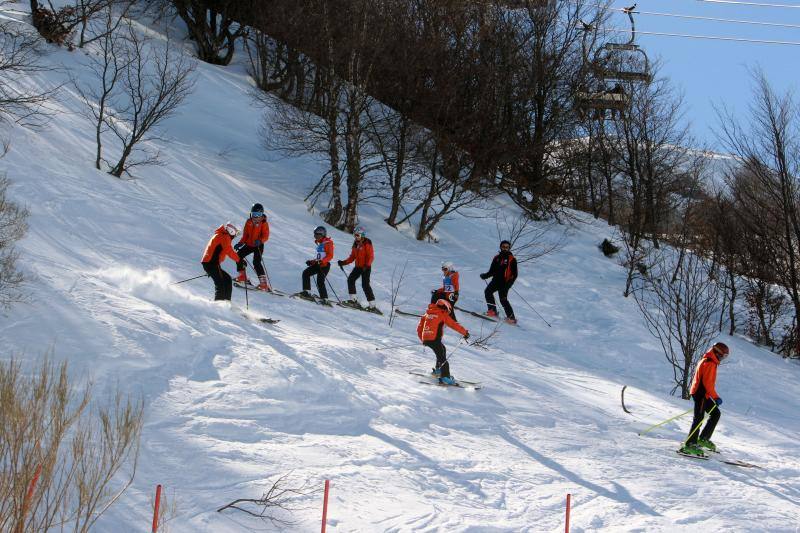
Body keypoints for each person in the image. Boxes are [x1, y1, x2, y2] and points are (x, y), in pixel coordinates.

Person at [680, 342, 729, 457]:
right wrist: (716, 397)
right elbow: (707, 384)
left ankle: (703, 438)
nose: (722, 358)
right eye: (722, 355)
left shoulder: (710, 361)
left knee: (715, 413)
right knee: (698, 418)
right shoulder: (709, 363)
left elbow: (708, 384)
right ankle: (689, 444)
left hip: (703, 394)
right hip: (700, 393)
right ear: (716, 353)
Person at [417, 299, 470, 386]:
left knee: (442, 350)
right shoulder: (442, 314)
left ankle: (438, 371)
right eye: (448, 311)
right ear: (445, 308)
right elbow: (453, 324)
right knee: (442, 358)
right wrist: (465, 332)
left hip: (426, 339)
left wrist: (423, 339)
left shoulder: (427, 314)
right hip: (434, 339)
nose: (447, 313)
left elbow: (419, 328)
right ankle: (445, 377)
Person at [337, 225, 377, 310]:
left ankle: (372, 305)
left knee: (365, 285)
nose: (356, 237)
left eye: (357, 235)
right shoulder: (355, 244)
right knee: (350, 280)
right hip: (358, 267)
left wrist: (366, 265)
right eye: (354, 235)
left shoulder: (367, 243)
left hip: (366, 267)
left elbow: (371, 256)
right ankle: (353, 301)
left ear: (362, 235)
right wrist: (343, 262)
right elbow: (352, 257)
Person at [234, 203, 271, 291]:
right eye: (254, 214)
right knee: (238, 256)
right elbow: (245, 235)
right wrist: (240, 243)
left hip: (258, 245)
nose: (256, 217)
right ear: (251, 214)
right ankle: (243, 276)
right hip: (249, 244)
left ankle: (263, 284)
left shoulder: (264, 223)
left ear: (262, 215)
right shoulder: (248, 222)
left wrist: (260, 241)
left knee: (256, 262)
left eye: (259, 215)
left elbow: (266, 236)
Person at [480, 240, 518, 324]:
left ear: (509, 248)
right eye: (503, 246)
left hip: (505, 283)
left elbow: (515, 275)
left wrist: (508, 285)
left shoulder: (512, 259)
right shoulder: (496, 258)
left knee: (503, 299)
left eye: (507, 247)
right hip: (495, 281)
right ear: (500, 247)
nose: (505, 248)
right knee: (488, 292)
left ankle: (511, 318)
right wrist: (485, 276)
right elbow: (492, 271)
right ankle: (492, 311)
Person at [201, 222, 240, 301]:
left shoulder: (221, 235)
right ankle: (219, 304)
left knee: (227, 279)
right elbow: (229, 251)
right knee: (220, 283)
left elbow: (226, 250)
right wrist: (239, 260)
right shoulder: (224, 236)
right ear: (232, 231)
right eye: (236, 233)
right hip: (211, 263)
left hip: (211, 263)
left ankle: (226, 302)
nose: (235, 236)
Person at [301, 225, 334, 303]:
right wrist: (312, 262)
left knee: (320, 281)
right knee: (306, 273)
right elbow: (319, 257)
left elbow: (330, 255)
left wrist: (322, 261)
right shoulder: (320, 243)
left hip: (324, 265)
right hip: (318, 264)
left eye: (316, 234)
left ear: (322, 234)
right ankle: (307, 292)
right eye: (314, 234)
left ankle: (325, 299)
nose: (315, 236)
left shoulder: (328, 243)